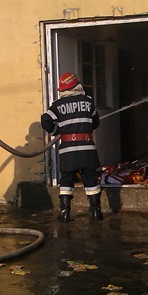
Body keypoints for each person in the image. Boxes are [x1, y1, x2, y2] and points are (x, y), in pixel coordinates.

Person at [41, 72, 102, 222]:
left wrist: (57, 131)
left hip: (68, 151)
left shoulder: (58, 105)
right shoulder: (88, 101)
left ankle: (64, 213)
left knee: (66, 180)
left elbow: (45, 120)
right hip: (87, 149)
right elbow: (96, 122)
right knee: (90, 179)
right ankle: (96, 212)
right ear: (77, 85)